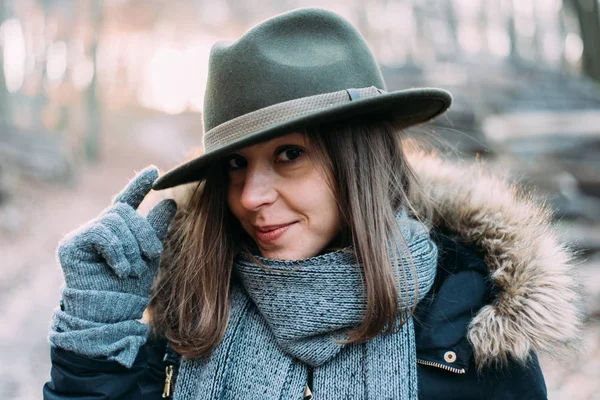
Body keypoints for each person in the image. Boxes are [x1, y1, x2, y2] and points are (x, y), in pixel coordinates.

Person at [43, 8, 580, 400]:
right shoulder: (194, 310)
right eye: (234, 165)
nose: (251, 197)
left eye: (290, 154)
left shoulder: (470, 327)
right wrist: (94, 346)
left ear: (359, 163)